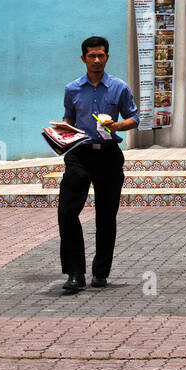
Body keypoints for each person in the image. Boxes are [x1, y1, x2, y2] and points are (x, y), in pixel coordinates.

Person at [56, 36, 139, 294]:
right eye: (91, 56)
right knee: (67, 211)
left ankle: (100, 272)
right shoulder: (73, 89)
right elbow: (68, 119)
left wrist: (116, 126)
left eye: (101, 55)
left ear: (107, 57)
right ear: (83, 59)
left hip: (108, 155)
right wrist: (61, 133)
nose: (96, 60)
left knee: (106, 216)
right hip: (79, 155)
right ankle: (74, 273)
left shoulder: (119, 87)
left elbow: (134, 118)